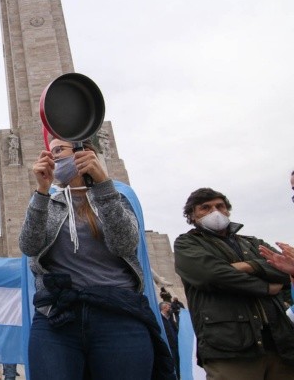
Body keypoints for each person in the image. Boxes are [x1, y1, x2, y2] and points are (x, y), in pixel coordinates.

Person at [20, 137, 174, 380]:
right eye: (50, 152)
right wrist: (41, 191)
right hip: (58, 316)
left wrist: (103, 185)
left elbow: (124, 243)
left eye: (59, 150)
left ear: (83, 152)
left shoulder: (118, 198)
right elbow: (29, 245)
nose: (53, 157)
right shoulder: (47, 202)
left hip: (117, 314)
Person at [174, 187, 294, 379]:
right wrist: (265, 287)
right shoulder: (187, 244)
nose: (215, 211)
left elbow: (286, 269)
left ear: (228, 210)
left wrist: (248, 266)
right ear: (192, 215)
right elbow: (210, 275)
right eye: (205, 207)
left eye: (220, 206)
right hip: (230, 348)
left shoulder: (253, 243)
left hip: (280, 344)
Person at [159, 302, 180, 379]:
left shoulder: (170, 318)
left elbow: (175, 330)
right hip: (168, 347)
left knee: (178, 364)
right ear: (164, 308)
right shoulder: (159, 319)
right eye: (169, 307)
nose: (170, 309)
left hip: (175, 345)